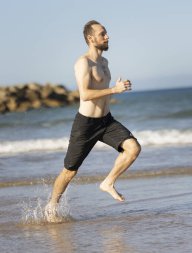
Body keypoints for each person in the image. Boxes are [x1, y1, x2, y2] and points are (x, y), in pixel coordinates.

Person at [45, 20, 141, 220]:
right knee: (69, 172)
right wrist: (114, 90)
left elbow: (101, 92)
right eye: (102, 34)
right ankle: (52, 206)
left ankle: (108, 182)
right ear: (91, 38)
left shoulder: (105, 63)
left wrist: (116, 88)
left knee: (133, 148)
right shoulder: (83, 63)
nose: (107, 37)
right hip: (86, 124)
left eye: (106, 33)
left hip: (106, 121)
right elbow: (86, 95)